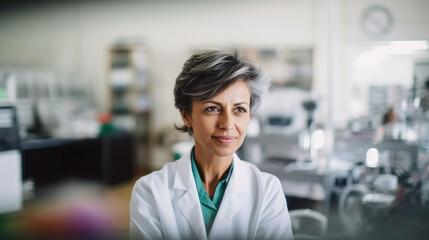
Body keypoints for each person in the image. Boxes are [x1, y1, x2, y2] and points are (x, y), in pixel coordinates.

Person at [129, 49, 293, 240]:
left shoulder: (267, 191)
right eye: (213, 108)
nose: (227, 124)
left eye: (239, 109)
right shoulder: (151, 191)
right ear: (186, 115)